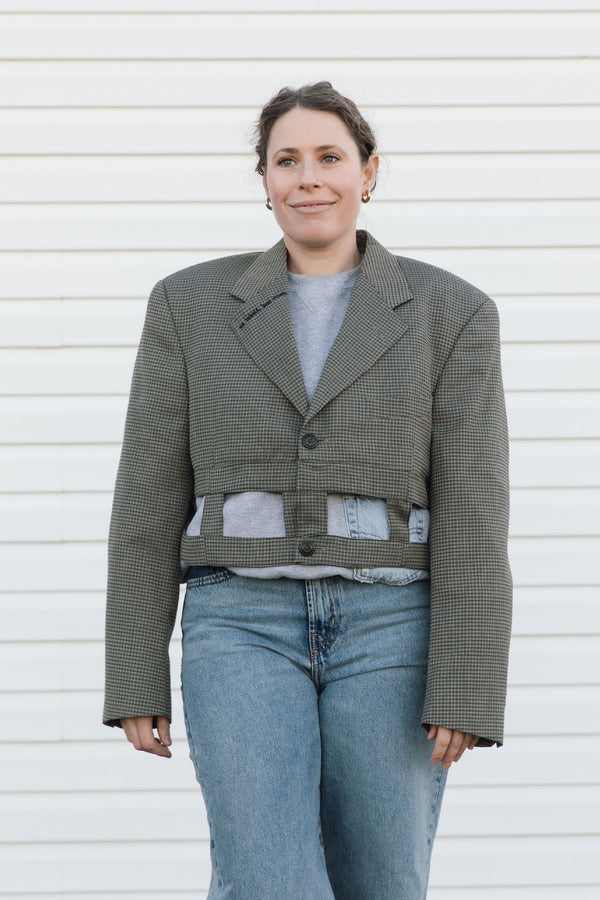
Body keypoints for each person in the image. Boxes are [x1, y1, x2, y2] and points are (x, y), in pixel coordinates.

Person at [104, 82, 512, 899]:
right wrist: (134, 672)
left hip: (394, 629)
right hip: (239, 627)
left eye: (330, 157)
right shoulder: (188, 307)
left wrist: (467, 684)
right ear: (262, 180)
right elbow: (147, 501)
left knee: (382, 880)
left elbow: (475, 512)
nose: (309, 178)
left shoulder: (452, 312)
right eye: (286, 160)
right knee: (268, 881)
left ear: (369, 173)